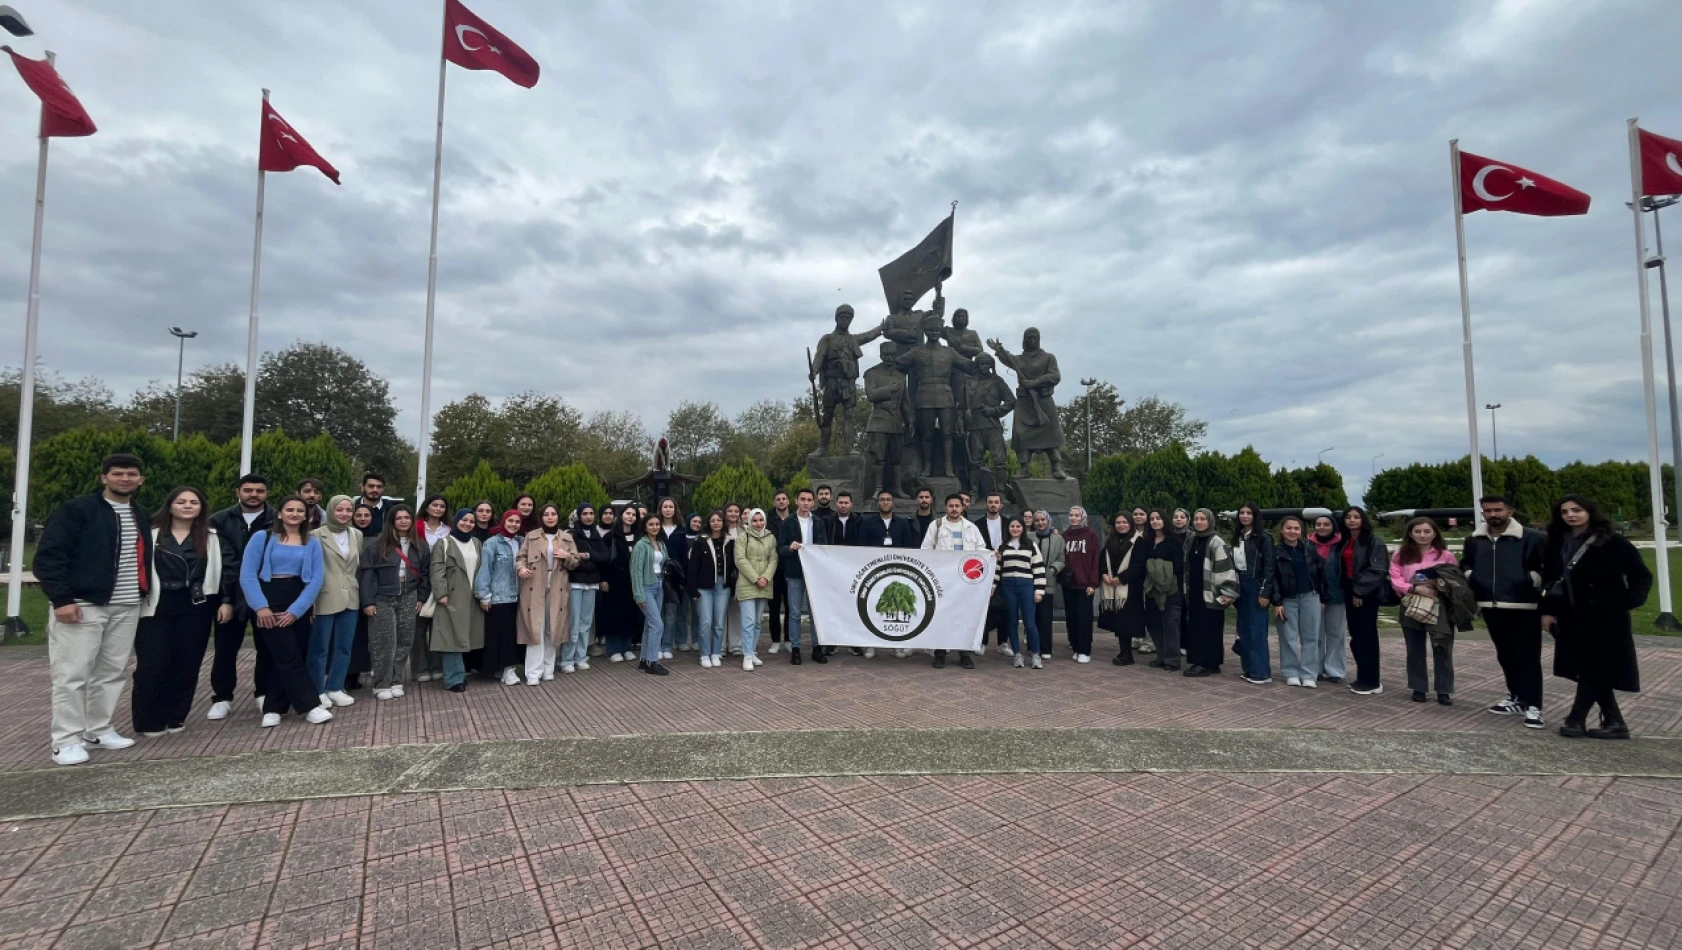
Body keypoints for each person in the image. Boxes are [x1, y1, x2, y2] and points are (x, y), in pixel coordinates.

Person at [1542, 495, 1653, 739]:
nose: (1570, 515)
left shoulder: (1614, 542)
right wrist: (1548, 611)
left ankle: (1576, 719)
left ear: (1590, 512)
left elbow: (1641, 576)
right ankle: (1615, 722)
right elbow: (1551, 580)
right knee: (1589, 668)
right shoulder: (1557, 542)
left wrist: (1626, 600)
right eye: (1565, 511)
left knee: (1594, 667)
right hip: (1571, 614)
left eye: (1577, 510)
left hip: (1606, 617)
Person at [131, 486, 236, 737]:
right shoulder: (150, 535)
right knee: (153, 664)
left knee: (187, 664)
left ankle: (176, 716)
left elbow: (227, 572)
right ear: (170, 505)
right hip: (156, 605)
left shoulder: (212, 538)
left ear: (201, 508)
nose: (187, 506)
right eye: (181, 501)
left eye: (193, 502)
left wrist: (227, 600)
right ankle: (148, 719)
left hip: (197, 606)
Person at [239, 495, 330, 728]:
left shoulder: (311, 542)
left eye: (300, 511)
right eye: (289, 510)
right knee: (285, 654)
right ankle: (310, 705)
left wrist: (298, 610)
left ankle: (273, 708)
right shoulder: (263, 537)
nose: (295, 514)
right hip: (269, 596)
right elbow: (248, 575)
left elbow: (316, 579)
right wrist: (261, 607)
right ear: (280, 513)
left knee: (290, 655)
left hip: (299, 597)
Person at [1460, 495, 1548, 729]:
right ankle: (1517, 697)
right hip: (1490, 605)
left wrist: (1531, 580)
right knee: (1505, 655)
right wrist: (1472, 577)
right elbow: (1466, 564)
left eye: (1498, 510)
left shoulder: (1533, 538)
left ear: (1510, 511)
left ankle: (1534, 705)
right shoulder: (1474, 540)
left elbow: (1547, 567)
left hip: (1524, 606)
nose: (1492, 515)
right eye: (1487, 511)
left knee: (1528, 656)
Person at [206, 473, 273, 721]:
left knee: (266, 648)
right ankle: (222, 697)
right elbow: (221, 562)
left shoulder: (276, 520)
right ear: (238, 492)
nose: (253, 494)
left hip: (265, 596)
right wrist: (224, 599)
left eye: (259, 490)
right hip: (230, 595)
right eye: (248, 490)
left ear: (267, 493)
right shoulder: (219, 520)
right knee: (225, 648)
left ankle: (263, 693)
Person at [359, 504, 428, 701]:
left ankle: (396, 679)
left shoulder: (420, 545)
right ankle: (381, 683)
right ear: (392, 521)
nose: (404, 521)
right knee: (384, 642)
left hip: (409, 596)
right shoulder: (377, 545)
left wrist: (421, 597)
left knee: (405, 640)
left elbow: (425, 574)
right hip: (382, 598)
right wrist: (368, 601)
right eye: (399, 518)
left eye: (407, 517)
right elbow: (367, 575)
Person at [1389, 516, 1458, 705]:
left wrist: (1438, 585)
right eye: (1418, 531)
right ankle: (1418, 688)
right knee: (1415, 648)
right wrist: (1413, 588)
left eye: (1427, 531)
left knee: (1442, 646)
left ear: (1434, 533)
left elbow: (1455, 578)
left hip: (1439, 604)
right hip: (1411, 602)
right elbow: (1395, 577)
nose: (1422, 535)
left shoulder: (1445, 555)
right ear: (1410, 533)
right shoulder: (1401, 554)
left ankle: (1444, 690)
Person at [306, 495, 361, 708]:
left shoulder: (356, 534)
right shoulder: (315, 535)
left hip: (351, 596)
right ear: (330, 510)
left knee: (344, 646)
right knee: (319, 647)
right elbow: (310, 569)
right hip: (324, 596)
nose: (345, 514)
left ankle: (335, 686)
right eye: (340, 510)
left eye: (349, 510)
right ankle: (317, 689)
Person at [922, 493, 989, 669]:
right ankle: (940, 653)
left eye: (957, 506)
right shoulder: (936, 526)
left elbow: (981, 550)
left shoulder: (971, 528)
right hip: (942, 581)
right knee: (941, 617)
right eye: (950, 506)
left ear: (962, 507)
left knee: (965, 618)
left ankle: (965, 654)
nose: (954, 509)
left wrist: (991, 556)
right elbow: (925, 550)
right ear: (945, 507)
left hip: (965, 582)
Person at [516, 504, 580, 685]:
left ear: (558, 516)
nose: (550, 517)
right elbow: (520, 557)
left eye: (553, 514)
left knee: (552, 628)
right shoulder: (532, 536)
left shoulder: (567, 538)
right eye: (546, 514)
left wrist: (566, 555)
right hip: (535, 586)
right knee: (535, 628)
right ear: (541, 517)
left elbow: (575, 563)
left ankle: (548, 668)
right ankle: (533, 672)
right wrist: (520, 568)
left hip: (558, 586)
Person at [1265, 515, 1323, 690]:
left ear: (1301, 531)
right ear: (1282, 530)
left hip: (1310, 596)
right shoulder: (1276, 551)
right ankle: (1291, 672)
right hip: (1287, 600)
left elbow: (1320, 571)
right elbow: (1272, 577)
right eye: (1289, 528)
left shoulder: (1309, 548)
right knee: (1288, 637)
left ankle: (1309, 674)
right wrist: (1277, 602)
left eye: (1296, 528)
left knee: (1311, 637)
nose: (1292, 531)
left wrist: (1323, 596)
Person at [430, 509, 484, 692]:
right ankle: (454, 679)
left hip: (472, 596)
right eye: (464, 520)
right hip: (451, 596)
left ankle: (462, 672)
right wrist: (441, 594)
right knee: (450, 636)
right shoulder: (444, 543)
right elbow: (437, 570)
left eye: (471, 521)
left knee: (465, 635)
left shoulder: (476, 543)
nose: (467, 524)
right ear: (456, 521)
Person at [1338, 507, 1390, 695]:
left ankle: (1372, 681)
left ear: (1363, 519)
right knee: (1356, 636)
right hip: (1349, 590)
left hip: (1365, 594)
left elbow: (1378, 570)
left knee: (1366, 636)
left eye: (1356, 517)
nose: (1352, 520)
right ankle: (1363, 676)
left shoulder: (1374, 541)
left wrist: (1360, 592)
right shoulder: (1345, 540)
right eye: (1348, 517)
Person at [1182, 508, 1238, 678]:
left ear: (1210, 521)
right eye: (1196, 519)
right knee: (1196, 627)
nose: (1198, 522)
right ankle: (1202, 661)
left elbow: (1225, 567)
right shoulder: (1191, 540)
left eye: (1202, 519)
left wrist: (1226, 593)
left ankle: (1207, 663)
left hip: (1211, 592)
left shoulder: (1216, 541)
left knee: (1211, 628)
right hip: (1194, 590)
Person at [777, 488, 830, 664]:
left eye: (809, 500)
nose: (806, 503)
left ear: (813, 502)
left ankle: (817, 648)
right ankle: (796, 648)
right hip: (794, 573)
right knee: (794, 613)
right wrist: (789, 547)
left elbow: (824, 547)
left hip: (814, 574)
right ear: (797, 501)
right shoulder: (788, 522)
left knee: (815, 612)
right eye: (803, 499)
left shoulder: (819, 522)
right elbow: (780, 548)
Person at [474, 510, 526, 686]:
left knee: (514, 636)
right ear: (504, 521)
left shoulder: (521, 542)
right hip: (500, 596)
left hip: (520, 596)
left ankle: (507, 668)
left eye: (517, 522)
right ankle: (507, 670)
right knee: (502, 636)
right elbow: (485, 569)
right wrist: (484, 595)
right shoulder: (492, 543)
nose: (513, 524)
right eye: (510, 521)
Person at [996, 515, 1047, 668]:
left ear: (1023, 528)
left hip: (1026, 585)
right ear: (1008, 528)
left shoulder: (1031, 545)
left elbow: (1038, 568)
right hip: (1008, 585)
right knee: (1012, 621)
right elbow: (997, 570)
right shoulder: (1003, 546)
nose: (1015, 529)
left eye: (1018, 526)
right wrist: (993, 587)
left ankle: (1036, 654)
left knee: (1029, 622)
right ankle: (1017, 654)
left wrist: (1039, 590)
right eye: (1012, 526)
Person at [1232, 502, 1274, 684]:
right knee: (1244, 628)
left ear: (1255, 516)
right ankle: (1248, 668)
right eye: (1242, 513)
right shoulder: (1238, 537)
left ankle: (1261, 672)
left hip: (1256, 584)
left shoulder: (1264, 538)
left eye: (1249, 513)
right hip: (1240, 584)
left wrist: (1265, 592)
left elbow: (1270, 567)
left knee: (1257, 629)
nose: (1245, 516)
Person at [410, 494, 451, 683]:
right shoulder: (416, 527)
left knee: (439, 627)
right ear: (427, 507)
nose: (438, 509)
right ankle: (419, 668)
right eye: (435, 505)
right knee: (419, 628)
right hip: (420, 581)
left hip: (442, 582)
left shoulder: (448, 530)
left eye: (442, 506)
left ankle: (437, 665)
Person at [563, 503, 607, 674]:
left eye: (591, 513)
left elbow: (604, 557)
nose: (588, 516)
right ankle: (567, 658)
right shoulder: (572, 534)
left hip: (592, 584)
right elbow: (571, 560)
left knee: (586, 622)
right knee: (573, 622)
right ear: (579, 516)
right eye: (585, 513)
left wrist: (587, 556)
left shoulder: (596, 535)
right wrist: (590, 561)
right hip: (575, 583)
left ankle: (581, 656)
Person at [688, 511, 735, 668]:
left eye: (719, 520)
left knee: (719, 622)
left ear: (723, 522)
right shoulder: (700, 542)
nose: (716, 523)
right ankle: (704, 654)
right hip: (704, 587)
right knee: (706, 622)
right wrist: (693, 590)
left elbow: (734, 567)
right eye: (713, 520)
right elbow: (693, 568)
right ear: (709, 523)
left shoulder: (729, 542)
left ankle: (716, 653)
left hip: (723, 586)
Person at [1098, 512, 1145, 666]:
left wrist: (1122, 578)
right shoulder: (1111, 541)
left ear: (1130, 523)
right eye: (1118, 522)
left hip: (1130, 588)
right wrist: (1104, 573)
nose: (1121, 525)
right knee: (1119, 622)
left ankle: (1127, 654)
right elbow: (1102, 559)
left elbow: (1139, 565)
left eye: (1124, 522)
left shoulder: (1138, 541)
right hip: (1113, 587)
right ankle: (1124, 651)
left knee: (1127, 622)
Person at [735, 508, 778, 671]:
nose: (758, 523)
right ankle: (746, 655)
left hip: (764, 583)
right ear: (749, 521)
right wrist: (755, 578)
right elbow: (740, 560)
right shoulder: (742, 537)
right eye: (754, 520)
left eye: (761, 520)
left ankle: (752, 651)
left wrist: (765, 577)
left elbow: (773, 559)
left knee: (758, 621)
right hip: (747, 583)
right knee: (748, 621)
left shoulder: (771, 537)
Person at [631, 512, 673, 676]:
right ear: (645, 527)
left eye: (657, 524)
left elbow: (665, 561)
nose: (655, 527)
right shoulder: (641, 545)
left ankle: (644, 659)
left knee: (650, 624)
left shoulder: (661, 543)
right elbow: (635, 572)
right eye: (651, 525)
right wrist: (638, 594)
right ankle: (653, 661)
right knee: (657, 624)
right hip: (646, 586)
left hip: (659, 584)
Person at [1142, 510, 1183, 671]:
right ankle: (1161, 656)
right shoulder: (1147, 541)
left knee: (1170, 624)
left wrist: (1160, 572)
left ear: (1164, 520)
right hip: (1151, 590)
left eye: (1158, 518)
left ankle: (1172, 659)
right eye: (1152, 519)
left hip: (1170, 590)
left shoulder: (1174, 541)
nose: (1155, 521)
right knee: (1153, 624)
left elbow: (1178, 565)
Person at [1308, 515, 1346, 684]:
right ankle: (1314, 668)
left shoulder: (1341, 544)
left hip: (1337, 595)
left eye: (1326, 524)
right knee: (1315, 633)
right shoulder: (1307, 544)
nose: (1322, 527)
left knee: (1336, 633)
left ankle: (1334, 669)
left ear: (1333, 526)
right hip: (1313, 595)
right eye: (1318, 524)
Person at [1060, 507, 1102, 663]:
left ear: (1082, 517)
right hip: (1069, 583)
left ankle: (1084, 650)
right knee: (1071, 616)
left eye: (1076, 515)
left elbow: (1095, 560)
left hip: (1085, 584)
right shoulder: (1065, 535)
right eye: (1071, 515)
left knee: (1084, 617)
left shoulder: (1090, 535)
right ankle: (1075, 645)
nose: (1073, 518)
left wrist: (1093, 583)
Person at [601, 506, 640, 661]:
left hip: (634, 581)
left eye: (633, 514)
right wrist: (603, 579)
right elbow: (604, 560)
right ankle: (614, 649)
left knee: (630, 614)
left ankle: (627, 646)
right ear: (621, 515)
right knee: (614, 614)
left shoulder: (639, 536)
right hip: (615, 581)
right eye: (627, 513)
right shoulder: (610, 536)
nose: (630, 517)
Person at [657, 496, 690, 657]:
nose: (668, 509)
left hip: (675, 578)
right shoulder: (655, 528)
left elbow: (685, 556)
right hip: (657, 575)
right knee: (657, 613)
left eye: (671, 506)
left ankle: (667, 646)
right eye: (665, 507)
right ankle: (657, 645)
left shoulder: (682, 530)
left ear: (675, 509)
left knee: (672, 614)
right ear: (660, 509)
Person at [1032, 510, 1064, 658]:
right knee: (1031, 617)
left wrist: (1052, 570)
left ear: (1048, 520)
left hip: (1048, 581)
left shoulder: (1058, 539)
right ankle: (1033, 646)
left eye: (1043, 520)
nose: (1040, 523)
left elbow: (1061, 558)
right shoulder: (1028, 537)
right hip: (1030, 581)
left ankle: (1045, 648)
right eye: (1037, 520)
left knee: (1045, 617)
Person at [767, 492, 792, 653]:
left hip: (791, 568)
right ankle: (775, 640)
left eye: (784, 499)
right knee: (774, 607)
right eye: (778, 499)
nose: (781, 502)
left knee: (791, 607)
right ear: (774, 502)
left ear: (788, 502)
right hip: (773, 570)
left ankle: (789, 640)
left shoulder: (795, 519)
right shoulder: (768, 520)